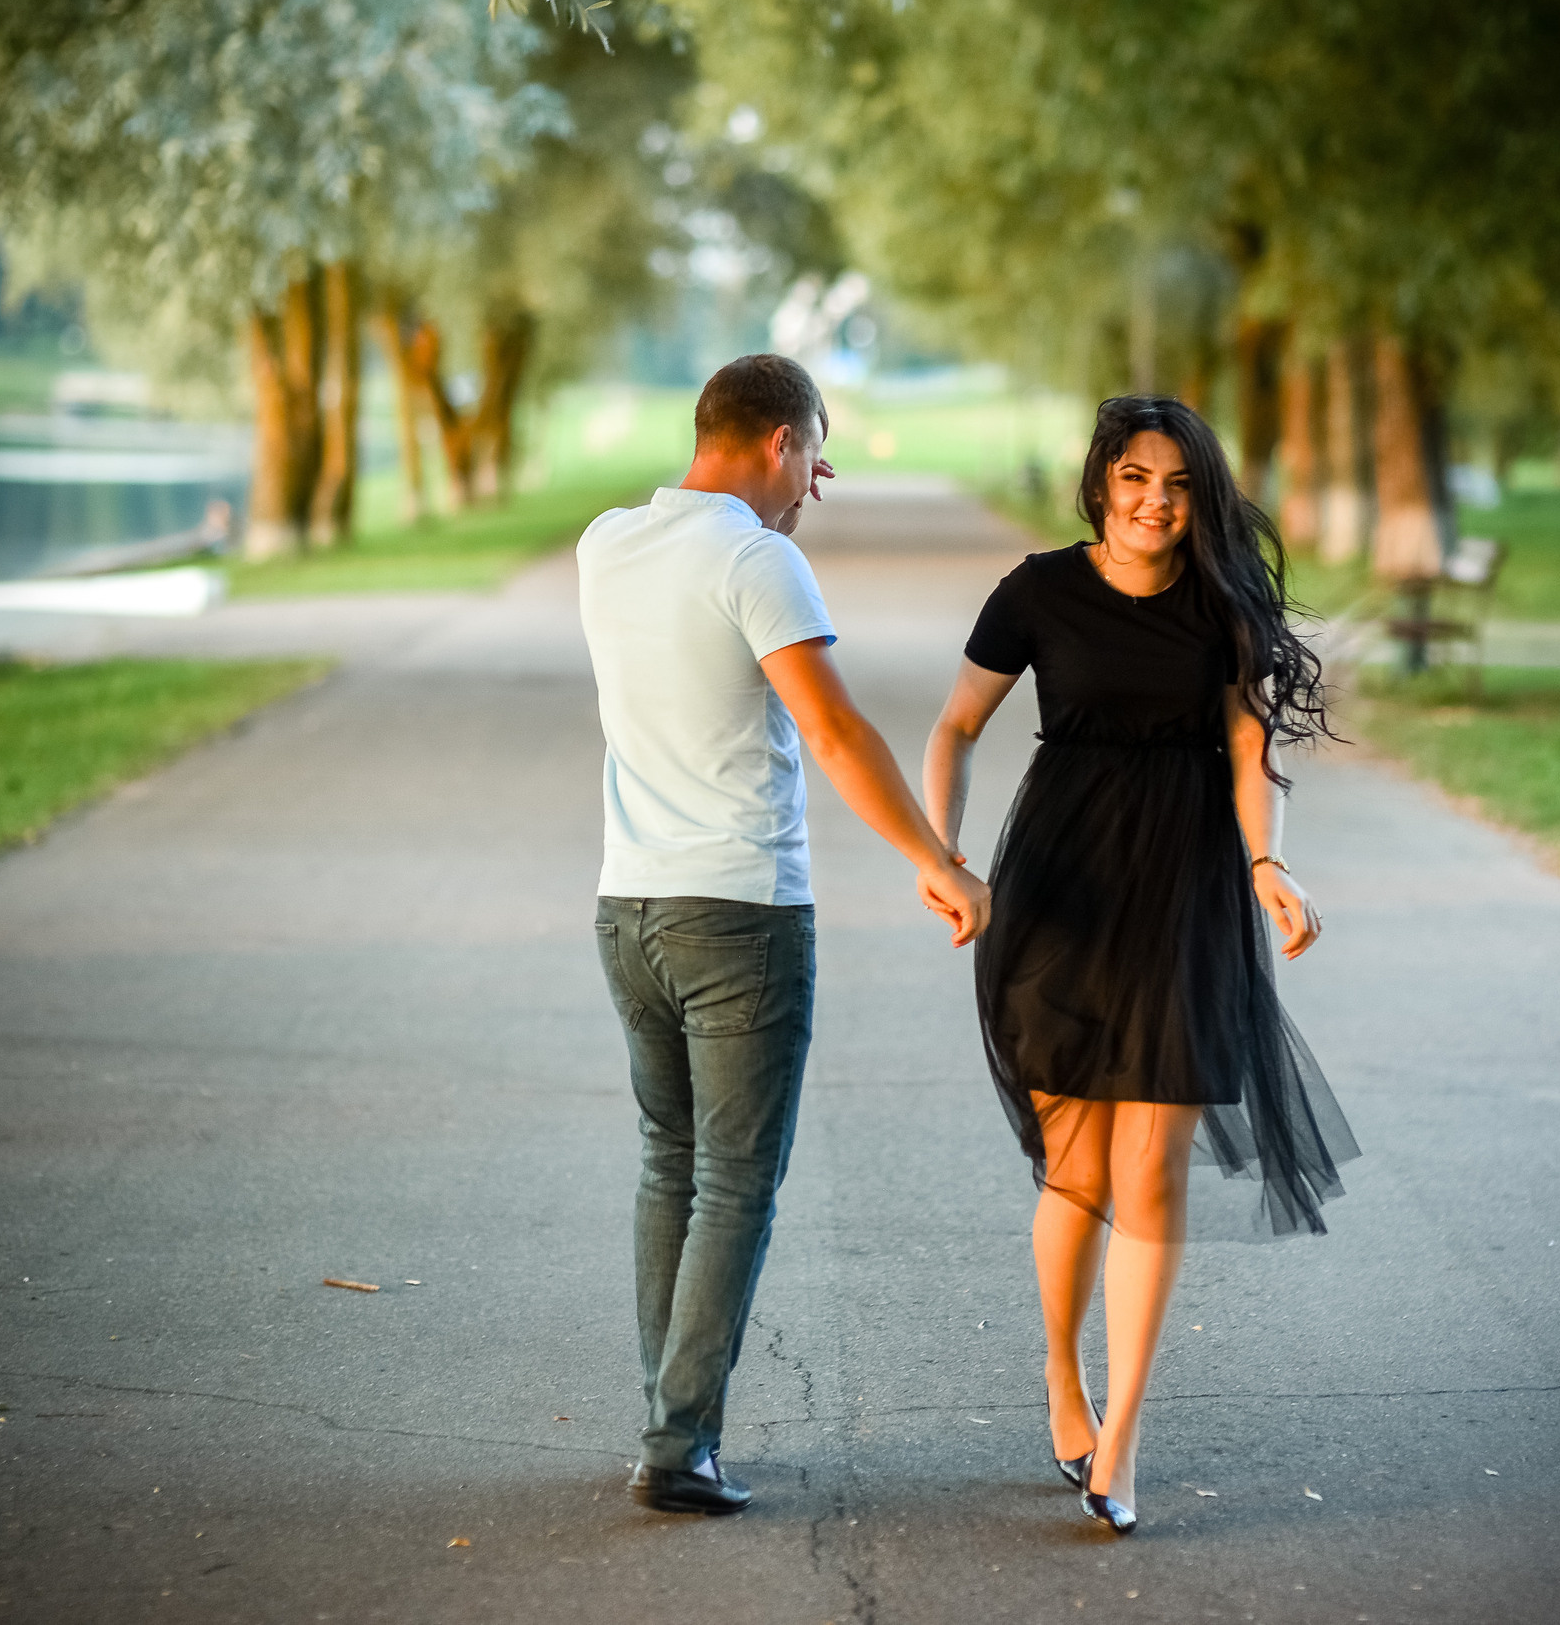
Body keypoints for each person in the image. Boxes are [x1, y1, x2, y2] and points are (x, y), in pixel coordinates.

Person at [922, 395, 1357, 1534]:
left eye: (1174, 483)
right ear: (1100, 482)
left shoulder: (1221, 605)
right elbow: (956, 725)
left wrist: (1270, 861)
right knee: (1076, 1158)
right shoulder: (1035, 592)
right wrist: (941, 856)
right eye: (1133, 478)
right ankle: (1062, 1378)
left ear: (1197, 494)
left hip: (1185, 889)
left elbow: (1248, 746)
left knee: (1149, 1166)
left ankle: (1121, 1440)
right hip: (1059, 886)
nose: (1153, 501)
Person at [579, 353, 992, 1517]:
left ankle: (671, 1421)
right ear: (774, 442)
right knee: (735, 1184)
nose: (819, 480)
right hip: (740, 913)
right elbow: (836, 730)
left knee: (673, 1163)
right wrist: (940, 862)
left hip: (629, 907)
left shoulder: (605, 544)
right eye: (814, 453)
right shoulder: (759, 558)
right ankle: (679, 1444)